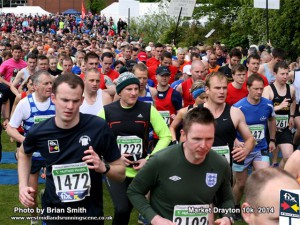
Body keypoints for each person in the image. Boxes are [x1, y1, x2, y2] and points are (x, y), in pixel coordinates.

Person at [18, 74, 125, 225]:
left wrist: (103, 167)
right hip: (54, 214)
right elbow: (23, 153)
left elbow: (121, 174)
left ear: (81, 101)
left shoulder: (98, 127)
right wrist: (23, 186)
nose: (70, 106)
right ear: (53, 98)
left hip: (90, 216)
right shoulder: (40, 131)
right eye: (65, 100)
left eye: (75, 101)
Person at [128, 107, 235, 225]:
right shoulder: (160, 160)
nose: (204, 145)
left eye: (209, 139)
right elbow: (134, 191)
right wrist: (155, 218)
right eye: (197, 139)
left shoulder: (220, 164)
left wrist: (227, 217)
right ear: (183, 135)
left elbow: (227, 199)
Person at [98, 72, 171, 225]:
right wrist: (115, 156)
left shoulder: (147, 109)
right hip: (117, 169)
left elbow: (166, 135)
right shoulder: (107, 111)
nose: (133, 93)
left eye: (136, 89)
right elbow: (96, 139)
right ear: (120, 91)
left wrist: (150, 159)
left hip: (141, 169)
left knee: (146, 208)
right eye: (129, 89)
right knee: (122, 208)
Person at [7, 70, 55, 223]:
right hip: (32, 156)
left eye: (51, 83)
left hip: (53, 154)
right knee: (31, 193)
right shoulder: (25, 103)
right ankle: (34, 219)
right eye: (46, 83)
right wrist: (25, 142)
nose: (50, 86)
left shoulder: (56, 101)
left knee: (56, 193)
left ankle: (51, 217)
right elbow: (10, 128)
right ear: (35, 86)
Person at [232, 74, 276, 218]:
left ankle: (260, 210)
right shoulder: (238, 107)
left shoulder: (268, 105)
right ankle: (234, 207)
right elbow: (230, 127)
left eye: (261, 89)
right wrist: (235, 141)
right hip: (242, 151)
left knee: (264, 179)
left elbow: (271, 120)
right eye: (255, 89)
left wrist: (272, 139)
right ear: (248, 88)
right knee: (241, 184)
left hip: (260, 149)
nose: (259, 92)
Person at [262, 61, 295, 168]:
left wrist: (292, 115)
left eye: (287, 73)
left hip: (284, 128)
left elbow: (293, 101)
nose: (285, 76)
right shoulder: (268, 90)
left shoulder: (291, 89)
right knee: (264, 164)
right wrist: (278, 107)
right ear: (275, 74)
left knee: (288, 157)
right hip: (269, 129)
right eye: (282, 74)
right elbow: (264, 110)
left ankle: (279, 174)